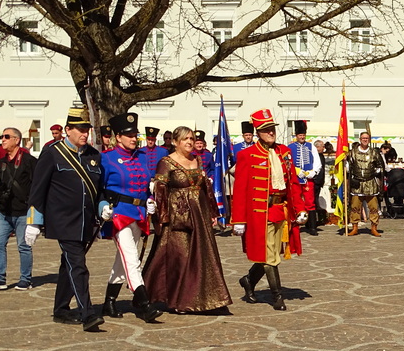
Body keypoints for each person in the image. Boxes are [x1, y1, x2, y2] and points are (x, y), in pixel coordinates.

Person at [25, 107, 105, 331]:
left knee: (68, 265)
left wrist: (102, 207)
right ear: (68, 130)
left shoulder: (93, 155)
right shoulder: (52, 153)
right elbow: (38, 189)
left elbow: (98, 190)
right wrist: (33, 221)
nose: (85, 134)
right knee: (78, 266)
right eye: (80, 130)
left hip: (85, 221)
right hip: (63, 221)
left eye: (87, 130)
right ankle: (88, 313)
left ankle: (61, 309)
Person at [142, 126, 231, 313]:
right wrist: (162, 218)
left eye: (191, 138)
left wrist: (212, 212)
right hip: (177, 217)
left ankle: (204, 298)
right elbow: (160, 192)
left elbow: (205, 188)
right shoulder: (166, 162)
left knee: (201, 256)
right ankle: (177, 300)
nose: (190, 142)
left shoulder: (197, 160)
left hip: (199, 215)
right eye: (185, 139)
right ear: (175, 142)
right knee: (180, 257)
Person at [232, 110, 307, 310]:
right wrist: (238, 219)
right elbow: (240, 190)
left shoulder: (285, 152)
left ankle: (249, 280)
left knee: (271, 253)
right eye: (266, 129)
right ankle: (277, 296)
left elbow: (293, 183)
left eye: (272, 128)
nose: (271, 132)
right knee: (269, 256)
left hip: (280, 210)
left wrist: (300, 208)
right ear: (257, 132)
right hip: (259, 213)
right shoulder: (246, 155)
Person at [99, 113, 162, 322]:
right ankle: (144, 304)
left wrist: (150, 200)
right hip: (118, 214)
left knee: (123, 260)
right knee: (132, 259)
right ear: (118, 137)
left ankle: (109, 301)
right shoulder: (107, 158)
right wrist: (102, 207)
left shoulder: (141, 157)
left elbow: (146, 185)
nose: (134, 139)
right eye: (129, 135)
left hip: (138, 213)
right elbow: (99, 189)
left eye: (135, 135)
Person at [0, 127, 37, 291]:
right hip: (4, 211)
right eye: (1, 137)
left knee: (23, 246)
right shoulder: (1, 162)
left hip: (23, 211)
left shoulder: (29, 161)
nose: (3, 140)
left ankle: (25, 279)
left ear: (17, 140)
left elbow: (37, 185)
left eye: (6, 136)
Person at [346, 131, 385, 237]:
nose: (365, 140)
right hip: (357, 183)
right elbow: (349, 166)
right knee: (355, 207)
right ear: (360, 139)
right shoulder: (352, 152)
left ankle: (374, 228)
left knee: (373, 207)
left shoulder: (374, 152)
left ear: (369, 140)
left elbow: (380, 166)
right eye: (363, 138)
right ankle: (355, 227)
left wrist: (376, 171)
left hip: (370, 182)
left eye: (367, 138)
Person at [287, 120, 321, 236]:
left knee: (310, 202)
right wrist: (296, 171)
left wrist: (314, 172)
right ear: (296, 135)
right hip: (295, 179)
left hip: (308, 179)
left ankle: (312, 227)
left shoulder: (311, 146)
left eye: (303, 135)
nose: (302, 137)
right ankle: (293, 225)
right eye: (300, 135)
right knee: (294, 201)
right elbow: (287, 162)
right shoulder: (290, 147)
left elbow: (317, 161)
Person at [313, 140, 327, 227]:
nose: (324, 148)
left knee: (316, 200)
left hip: (319, 182)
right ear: (317, 147)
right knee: (313, 201)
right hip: (314, 181)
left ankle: (317, 220)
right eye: (322, 146)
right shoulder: (314, 156)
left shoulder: (321, 156)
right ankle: (312, 221)